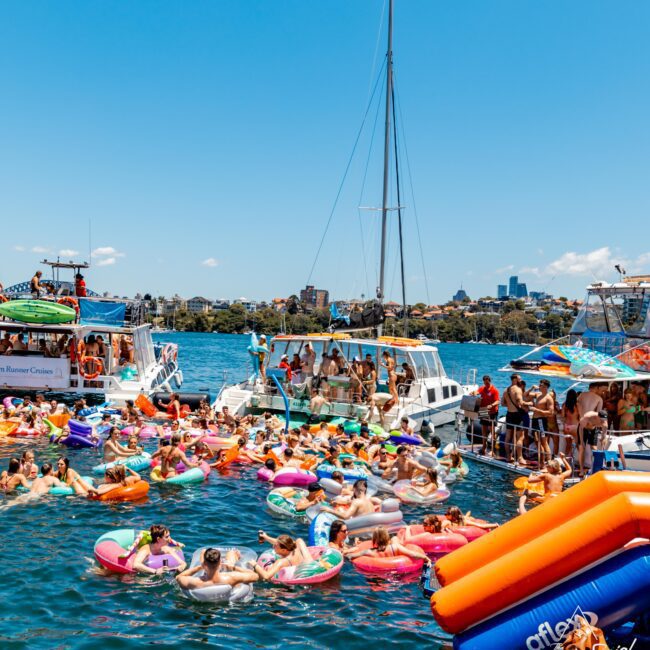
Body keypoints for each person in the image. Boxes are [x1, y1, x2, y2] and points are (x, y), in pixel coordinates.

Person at [176, 547, 259, 590]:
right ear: (220, 563)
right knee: (231, 553)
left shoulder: (195, 582)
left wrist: (198, 567)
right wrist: (233, 567)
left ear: (204, 564)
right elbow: (255, 576)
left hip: (203, 583)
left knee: (203, 551)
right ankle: (233, 557)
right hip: (224, 581)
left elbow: (178, 577)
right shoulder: (232, 577)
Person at [347, 526, 431, 565]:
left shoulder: (368, 552)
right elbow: (413, 554)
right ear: (387, 536)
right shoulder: (395, 547)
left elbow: (350, 557)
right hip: (397, 574)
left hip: (376, 575)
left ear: (375, 539)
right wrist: (426, 558)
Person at [501, 373, 531, 465]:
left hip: (509, 414)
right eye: (519, 378)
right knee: (520, 437)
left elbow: (502, 403)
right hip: (517, 415)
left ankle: (508, 456)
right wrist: (530, 403)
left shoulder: (506, 390)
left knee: (508, 436)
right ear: (515, 379)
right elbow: (520, 402)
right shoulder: (518, 390)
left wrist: (510, 405)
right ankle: (520, 458)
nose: (521, 380)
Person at [576, 409, 608, 477]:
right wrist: (582, 442)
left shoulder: (604, 422)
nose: (603, 421)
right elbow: (580, 428)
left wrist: (603, 439)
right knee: (582, 448)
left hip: (593, 429)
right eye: (601, 419)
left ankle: (595, 468)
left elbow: (604, 435)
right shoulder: (588, 416)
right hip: (583, 429)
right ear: (597, 416)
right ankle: (581, 470)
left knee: (594, 449)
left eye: (604, 419)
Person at [530, 379, 554, 464]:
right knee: (537, 441)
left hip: (541, 421)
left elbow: (550, 412)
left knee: (544, 442)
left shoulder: (548, 398)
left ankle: (549, 462)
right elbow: (525, 395)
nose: (539, 386)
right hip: (535, 420)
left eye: (541, 385)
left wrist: (537, 410)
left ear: (546, 387)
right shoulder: (538, 395)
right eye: (539, 385)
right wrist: (532, 388)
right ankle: (542, 461)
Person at [475, 375, 500, 456]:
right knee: (484, 430)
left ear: (490, 381)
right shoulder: (482, 388)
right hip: (483, 410)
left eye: (487, 382)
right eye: (485, 382)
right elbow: (477, 392)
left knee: (492, 431)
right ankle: (484, 447)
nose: (486, 384)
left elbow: (497, 401)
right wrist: (473, 393)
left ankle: (492, 449)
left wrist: (492, 405)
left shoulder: (494, 390)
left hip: (492, 412)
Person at [561, 389, 580, 459]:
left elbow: (563, 415)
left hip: (566, 426)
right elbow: (580, 415)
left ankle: (566, 462)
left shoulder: (564, 404)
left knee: (568, 445)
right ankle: (581, 463)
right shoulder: (577, 405)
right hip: (574, 426)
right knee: (578, 445)